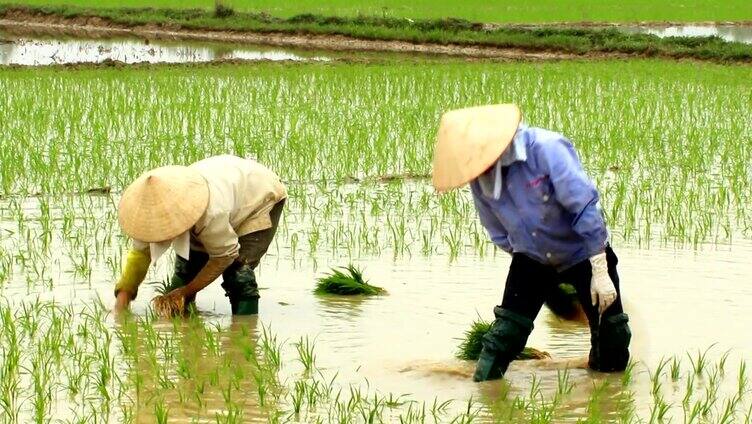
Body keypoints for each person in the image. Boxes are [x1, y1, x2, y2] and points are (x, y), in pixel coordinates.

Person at [431, 104, 631, 382]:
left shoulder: (547, 149)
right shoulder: (480, 177)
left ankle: (607, 401)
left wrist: (599, 268)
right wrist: (534, 271)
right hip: (531, 259)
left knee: (612, 337)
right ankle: (485, 397)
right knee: (503, 337)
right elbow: (497, 231)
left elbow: (583, 207)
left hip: (584, 252)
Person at [113, 154, 287, 315]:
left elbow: (224, 256)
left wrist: (187, 291)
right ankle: (184, 333)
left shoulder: (211, 212)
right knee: (185, 272)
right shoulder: (147, 214)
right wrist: (121, 304)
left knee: (238, 274)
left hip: (258, 196)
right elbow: (140, 256)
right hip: (223, 184)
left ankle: (244, 332)